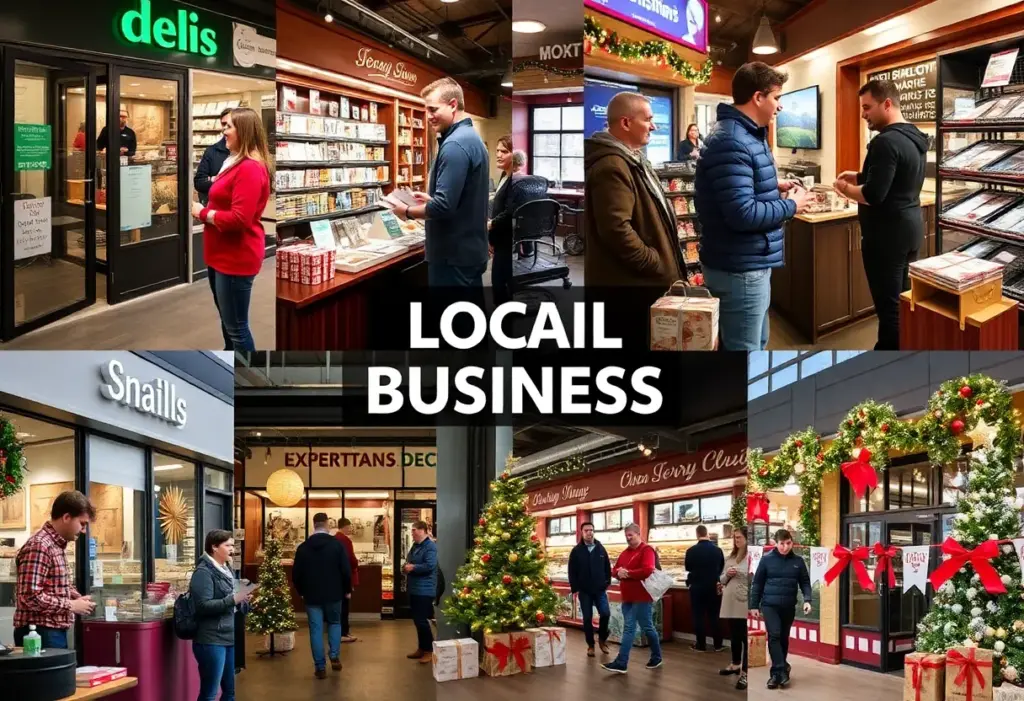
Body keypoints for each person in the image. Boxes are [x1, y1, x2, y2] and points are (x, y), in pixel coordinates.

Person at [696, 62, 812, 351]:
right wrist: (792, 206)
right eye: (777, 97)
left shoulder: (744, 134)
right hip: (740, 269)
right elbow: (742, 214)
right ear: (758, 97)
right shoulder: (733, 140)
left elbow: (739, 191)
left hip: (745, 264)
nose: (780, 106)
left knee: (755, 343)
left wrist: (775, 186)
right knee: (745, 351)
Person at [833, 79, 927, 350]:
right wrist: (861, 175)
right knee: (903, 301)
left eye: (867, 107)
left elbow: (874, 195)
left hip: (886, 237)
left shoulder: (884, 142)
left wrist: (844, 188)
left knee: (889, 309)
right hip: (910, 230)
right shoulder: (914, 137)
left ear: (887, 104)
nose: (863, 114)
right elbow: (897, 177)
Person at [384, 77, 489, 288]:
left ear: (453, 105)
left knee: (453, 318)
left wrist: (405, 211)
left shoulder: (455, 145)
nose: (429, 117)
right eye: (426, 110)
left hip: (452, 256)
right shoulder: (471, 139)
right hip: (468, 252)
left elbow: (443, 206)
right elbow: (460, 200)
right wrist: (432, 199)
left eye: (433, 109)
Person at [585, 91, 685, 291]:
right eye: (648, 119)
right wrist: (655, 263)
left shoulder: (633, 159)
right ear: (626, 123)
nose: (654, 126)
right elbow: (616, 230)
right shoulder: (612, 166)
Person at [190, 107, 271, 352]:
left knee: (237, 328)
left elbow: (240, 219)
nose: (223, 130)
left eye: (229, 126)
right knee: (229, 325)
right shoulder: (233, 160)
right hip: (221, 255)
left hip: (235, 257)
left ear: (244, 131)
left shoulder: (249, 168)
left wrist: (202, 213)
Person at [14, 491, 97, 648]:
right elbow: (30, 596)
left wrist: (78, 599)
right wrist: (71, 605)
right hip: (39, 634)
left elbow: (56, 584)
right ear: (66, 517)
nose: (84, 530)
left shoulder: (55, 545)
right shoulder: (40, 545)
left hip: (51, 631)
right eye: (82, 523)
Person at [190, 529, 251, 701]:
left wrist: (243, 598)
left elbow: (232, 597)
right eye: (228, 545)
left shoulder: (227, 569)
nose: (232, 549)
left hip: (228, 636)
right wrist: (233, 599)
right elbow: (203, 605)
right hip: (210, 640)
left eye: (233, 545)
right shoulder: (203, 572)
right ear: (214, 547)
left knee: (230, 691)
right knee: (210, 693)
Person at [749, 529, 812, 690]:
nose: (785, 547)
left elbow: (805, 582)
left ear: (792, 542)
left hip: (789, 606)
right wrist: (754, 605)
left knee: (783, 638)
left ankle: (780, 671)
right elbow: (757, 583)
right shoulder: (766, 560)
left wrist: (807, 600)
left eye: (788, 543)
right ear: (775, 544)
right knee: (775, 635)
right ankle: (778, 671)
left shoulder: (798, 561)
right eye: (782, 544)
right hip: (769, 605)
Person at [293, 512, 352, 678]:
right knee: (334, 622)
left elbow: (296, 574)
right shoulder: (337, 545)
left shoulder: (303, 548)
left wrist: (301, 592)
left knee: (316, 630)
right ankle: (334, 655)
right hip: (334, 593)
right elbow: (346, 571)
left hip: (312, 595)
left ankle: (319, 666)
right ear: (326, 524)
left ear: (314, 525)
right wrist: (347, 590)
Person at [601, 523, 662, 674]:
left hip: (641, 596)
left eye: (630, 535)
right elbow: (615, 569)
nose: (628, 538)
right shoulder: (625, 552)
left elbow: (648, 570)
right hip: (627, 597)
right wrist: (618, 573)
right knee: (647, 626)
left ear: (638, 534)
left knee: (629, 627)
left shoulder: (647, 550)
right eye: (626, 536)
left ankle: (621, 662)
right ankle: (657, 656)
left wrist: (628, 573)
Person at [567, 522, 612, 658]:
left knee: (605, 614)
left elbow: (607, 567)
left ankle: (602, 639)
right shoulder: (576, 551)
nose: (589, 532)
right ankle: (590, 645)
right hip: (584, 590)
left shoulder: (600, 549)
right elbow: (572, 571)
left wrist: (606, 583)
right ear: (581, 532)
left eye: (591, 530)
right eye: (586, 530)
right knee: (587, 618)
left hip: (599, 590)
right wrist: (575, 588)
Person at [684, 524, 725, 652]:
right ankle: (718, 644)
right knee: (714, 615)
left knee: (698, 616)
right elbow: (721, 567)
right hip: (713, 586)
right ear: (707, 534)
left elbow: (688, 568)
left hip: (696, 587)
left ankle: (701, 645)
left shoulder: (690, 551)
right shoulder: (718, 550)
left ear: (697, 535)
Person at [720, 526, 750, 691]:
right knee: (735, 635)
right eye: (735, 538)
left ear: (747, 538)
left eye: (739, 538)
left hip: (744, 600)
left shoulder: (752, 557)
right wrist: (728, 574)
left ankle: (745, 672)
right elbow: (722, 579)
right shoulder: (730, 556)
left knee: (746, 637)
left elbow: (756, 577)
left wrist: (741, 573)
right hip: (730, 599)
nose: (736, 540)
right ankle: (735, 664)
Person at [402, 521, 437, 663]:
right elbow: (408, 560)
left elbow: (430, 565)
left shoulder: (430, 547)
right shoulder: (415, 546)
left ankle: (429, 650)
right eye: (412, 530)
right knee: (417, 620)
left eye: (415, 530)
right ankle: (422, 648)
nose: (412, 533)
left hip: (425, 589)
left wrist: (413, 568)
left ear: (423, 530)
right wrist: (406, 567)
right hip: (415, 588)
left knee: (422, 621)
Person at [488, 135, 516, 304]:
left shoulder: (514, 179)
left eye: (504, 151)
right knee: (498, 284)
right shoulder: (504, 175)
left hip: (507, 242)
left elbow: (510, 211)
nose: (498, 154)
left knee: (500, 284)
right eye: (497, 150)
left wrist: (491, 224)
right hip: (499, 240)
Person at [194, 108, 233, 206]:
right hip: (214, 207)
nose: (225, 129)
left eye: (230, 125)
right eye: (223, 124)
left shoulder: (250, 156)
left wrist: (214, 179)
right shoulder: (212, 151)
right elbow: (199, 183)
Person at [333, 517, 360, 643]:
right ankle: (344, 632)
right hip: (345, 577)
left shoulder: (333, 539)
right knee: (345, 605)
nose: (350, 529)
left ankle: (339, 631)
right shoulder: (345, 540)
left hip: (335, 578)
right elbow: (351, 560)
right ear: (345, 526)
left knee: (338, 605)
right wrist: (356, 563)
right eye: (349, 527)